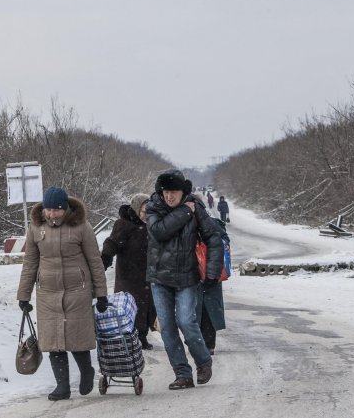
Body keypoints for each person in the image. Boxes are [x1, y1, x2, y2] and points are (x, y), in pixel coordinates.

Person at [18, 186, 108, 401]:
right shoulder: (35, 228)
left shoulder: (81, 227)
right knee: (53, 341)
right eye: (48, 210)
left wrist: (101, 293)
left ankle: (87, 372)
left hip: (78, 291)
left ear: (66, 209)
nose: (52, 215)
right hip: (47, 292)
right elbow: (30, 262)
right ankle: (62, 386)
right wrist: (24, 295)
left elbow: (95, 261)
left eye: (57, 210)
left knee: (76, 338)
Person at [146, 169, 224, 391]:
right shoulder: (154, 207)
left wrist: (212, 273)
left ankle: (203, 361)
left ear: (183, 192)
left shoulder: (196, 208)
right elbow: (159, 231)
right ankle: (182, 374)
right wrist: (183, 213)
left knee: (186, 322)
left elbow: (214, 238)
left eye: (174, 192)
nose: (169, 196)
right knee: (168, 329)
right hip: (159, 279)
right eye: (166, 192)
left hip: (187, 278)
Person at [101, 193, 157, 350]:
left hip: (147, 274)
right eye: (145, 211)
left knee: (147, 307)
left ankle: (142, 337)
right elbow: (112, 242)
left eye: (150, 211)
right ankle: (130, 338)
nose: (147, 215)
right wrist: (106, 256)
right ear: (137, 208)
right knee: (130, 307)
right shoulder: (123, 225)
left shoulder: (152, 225)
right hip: (128, 275)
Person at [198, 216, 230, 355]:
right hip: (207, 272)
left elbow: (222, 242)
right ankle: (206, 343)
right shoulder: (211, 223)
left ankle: (206, 344)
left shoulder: (208, 223)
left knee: (204, 310)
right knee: (205, 309)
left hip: (207, 271)